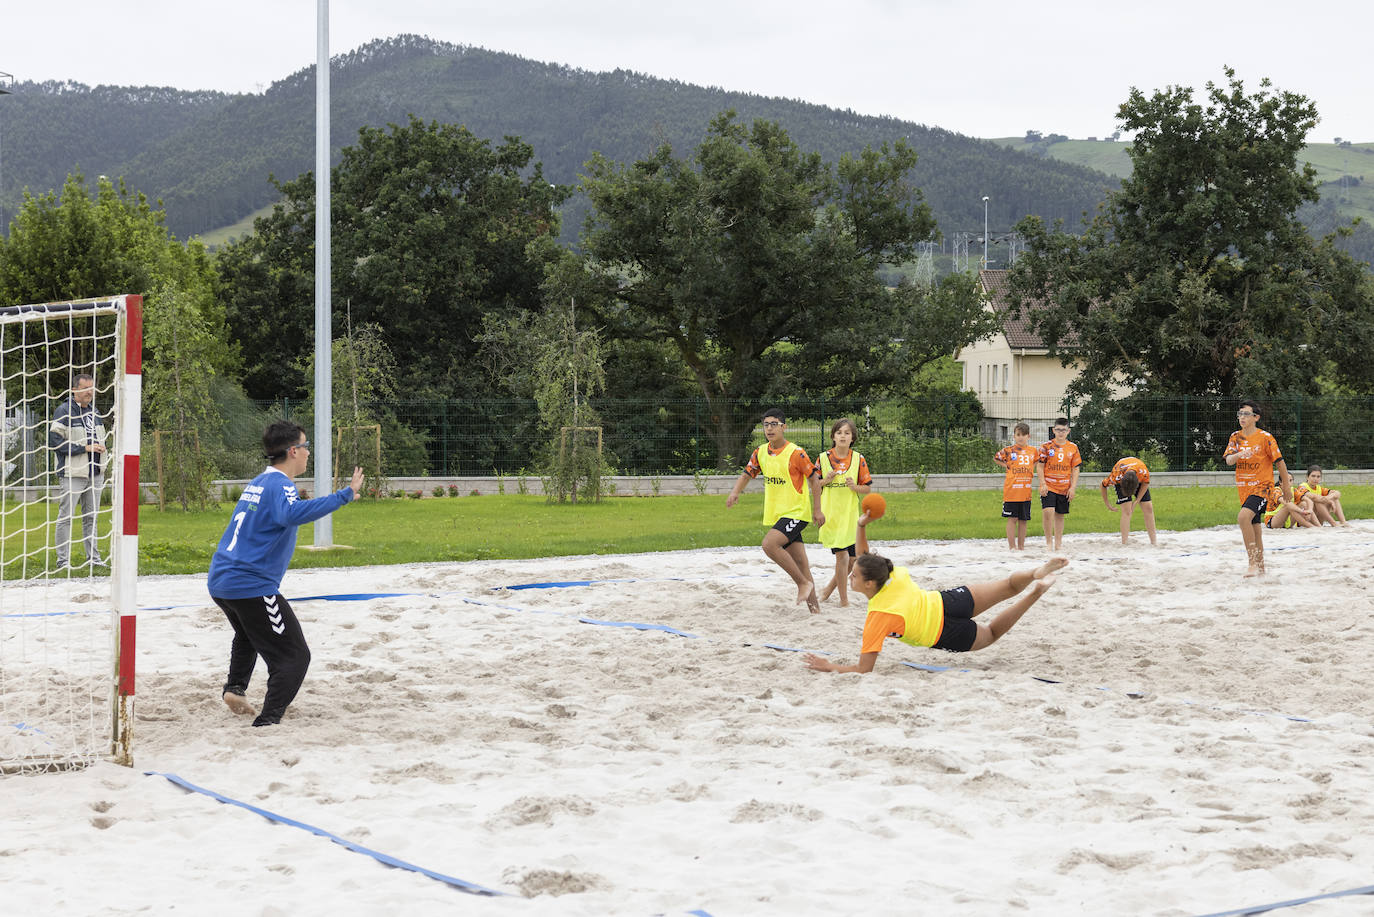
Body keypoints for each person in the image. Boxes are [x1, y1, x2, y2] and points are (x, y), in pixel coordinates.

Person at [208, 421, 364, 726]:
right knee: (294, 657)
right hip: (249, 584)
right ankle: (268, 720)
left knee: (249, 633)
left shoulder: (259, 482)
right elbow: (291, 514)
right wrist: (343, 496)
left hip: (221, 580)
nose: (308, 454)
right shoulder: (280, 484)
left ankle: (235, 688)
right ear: (293, 451)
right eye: (306, 447)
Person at [804, 553, 1067, 674]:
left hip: (944, 634)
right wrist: (862, 526)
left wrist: (830, 666)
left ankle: (1035, 593)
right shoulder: (892, 572)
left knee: (992, 633)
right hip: (948, 602)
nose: (850, 577)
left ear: (869, 584)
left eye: (855, 575)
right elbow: (866, 558)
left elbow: (864, 669)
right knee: (1008, 586)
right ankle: (1035, 573)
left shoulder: (878, 617)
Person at [726, 408, 825, 613]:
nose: (769, 428)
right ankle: (815, 612)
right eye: (766, 425)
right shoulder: (760, 452)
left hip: (797, 512)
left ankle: (802, 584)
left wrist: (817, 510)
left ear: (783, 427)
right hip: (780, 515)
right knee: (802, 564)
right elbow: (746, 474)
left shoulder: (796, 452)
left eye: (774, 424)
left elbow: (814, 480)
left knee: (769, 545)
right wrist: (735, 493)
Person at [1223, 400, 1293, 577]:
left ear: (1256, 417)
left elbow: (1280, 463)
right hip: (1244, 488)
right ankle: (1261, 569)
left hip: (1263, 487)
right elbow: (1229, 460)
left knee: (1243, 518)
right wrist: (1239, 454)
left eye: (1246, 414)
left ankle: (1252, 563)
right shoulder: (1235, 437)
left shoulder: (1265, 438)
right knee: (1255, 529)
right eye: (1239, 414)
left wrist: (1286, 488)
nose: (1242, 417)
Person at [48, 373, 107, 570]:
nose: (90, 392)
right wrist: (85, 448)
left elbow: (98, 439)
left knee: (92, 517)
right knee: (66, 517)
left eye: (92, 388)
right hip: (73, 473)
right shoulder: (63, 411)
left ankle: (93, 557)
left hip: (95, 473)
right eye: (85, 389)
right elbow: (55, 442)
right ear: (74, 390)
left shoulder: (95, 412)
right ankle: (62, 561)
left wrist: (100, 447)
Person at [815, 417, 872, 606]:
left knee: (852, 559)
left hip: (849, 517)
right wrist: (826, 480)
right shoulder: (823, 458)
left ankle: (827, 590)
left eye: (847, 433)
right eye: (839, 432)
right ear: (833, 436)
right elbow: (813, 485)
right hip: (831, 516)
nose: (843, 436)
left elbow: (867, 488)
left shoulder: (858, 459)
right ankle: (844, 601)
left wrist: (855, 487)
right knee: (842, 557)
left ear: (852, 438)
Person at [1034, 417, 1081, 551]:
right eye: (1058, 430)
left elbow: (1076, 468)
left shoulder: (1073, 448)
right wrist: (1042, 483)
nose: (1061, 432)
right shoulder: (1046, 446)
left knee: (1060, 515)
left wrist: (1073, 487)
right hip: (1049, 485)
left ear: (1068, 431)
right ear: (1054, 430)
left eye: (1064, 430)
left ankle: (1058, 543)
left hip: (1064, 487)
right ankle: (1049, 542)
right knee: (1048, 512)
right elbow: (1040, 466)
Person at [993, 422, 1036, 551]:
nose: (1020, 437)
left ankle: (1021, 547)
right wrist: (1006, 466)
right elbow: (996, 458)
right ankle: (1012, 547)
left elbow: (1038, 462)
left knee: (1023, 520)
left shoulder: (1033, 451)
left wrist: (1030, 470)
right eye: (1018, 435)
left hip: (1025, 492)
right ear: (1014, 436)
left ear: (1028, 436)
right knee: (1012, 519)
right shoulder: (1008, 450)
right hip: (1012, 491)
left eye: (1023, 435)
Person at [1099, 456, 1157, 546]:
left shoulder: (1143, 472)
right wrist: (1108, 504)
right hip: (1122, 474)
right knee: (1127, 511)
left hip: (1137, 473)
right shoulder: (1116, 476)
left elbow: (1145, 483)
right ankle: (1124, 543)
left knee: (1148, 508)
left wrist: (1137, 500)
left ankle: (1154, 542)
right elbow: (1103, 485)